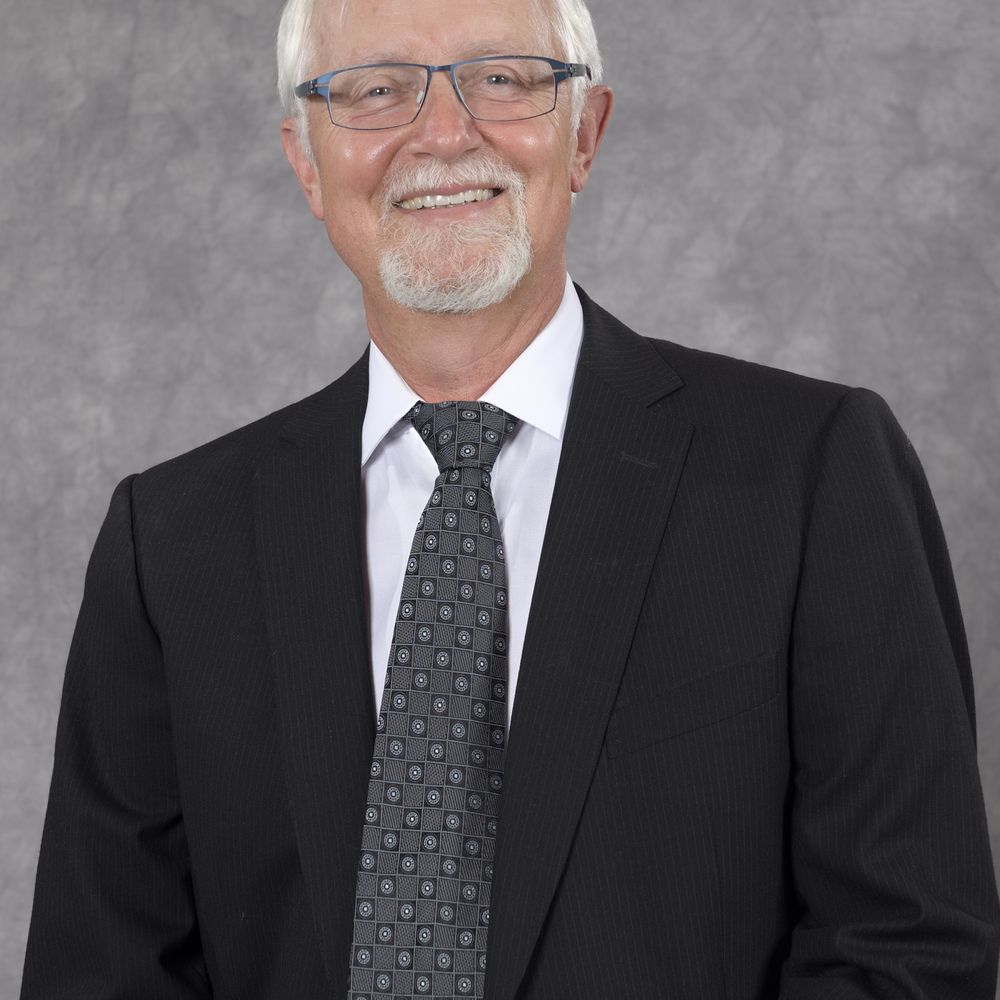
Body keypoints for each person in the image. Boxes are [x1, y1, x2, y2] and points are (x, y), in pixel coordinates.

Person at [21, 0, 1000, 996]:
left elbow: (909, 944)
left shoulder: (808, 474)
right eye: (377, 89)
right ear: (307, 163)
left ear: (585, 134)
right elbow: (101, 972)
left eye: (501, 78)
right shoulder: (172, 542)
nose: (444, 134)